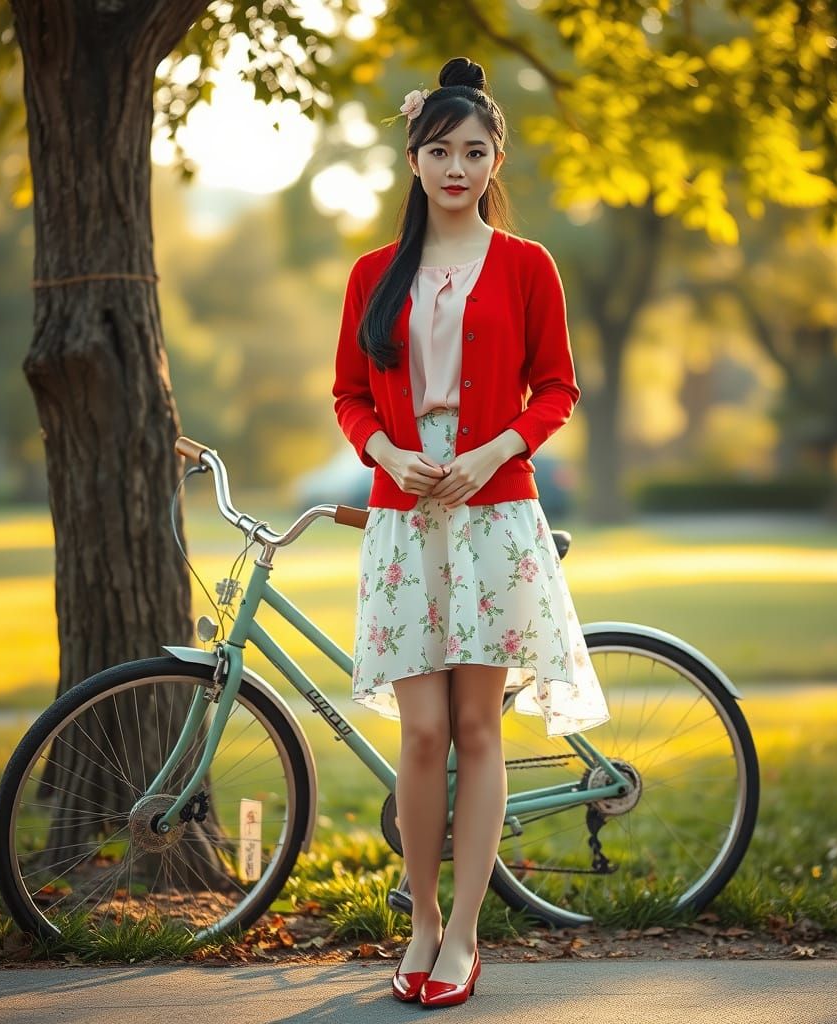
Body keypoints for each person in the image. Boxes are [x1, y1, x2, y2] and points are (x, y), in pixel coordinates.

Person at [331, 55, 611, 1008]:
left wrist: (493, 453)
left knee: (477, 727)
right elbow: (349, 393)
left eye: (476, 151)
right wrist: (388, 455)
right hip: (407, 519)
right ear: (413, 158)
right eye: (441, 150)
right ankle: (415, 922)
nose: (459, 167)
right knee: (420, 734)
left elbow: (559, 388)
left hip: (495, 512)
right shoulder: (374, 273)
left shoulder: (529, 266)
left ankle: (463, 935)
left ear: (497, 161)